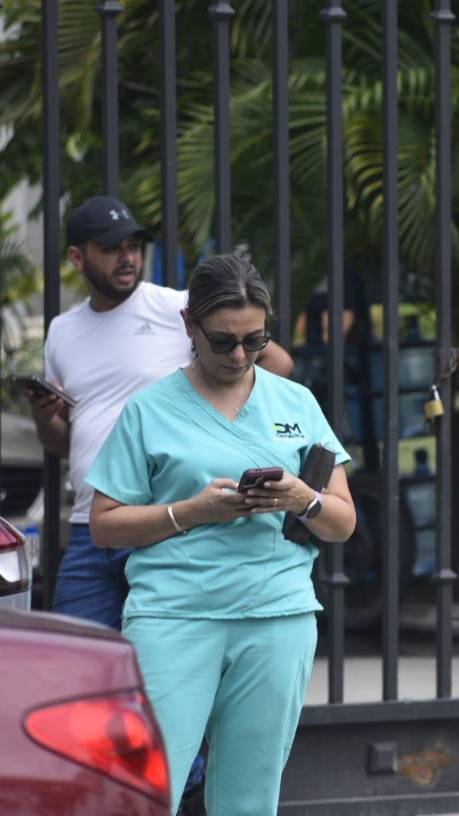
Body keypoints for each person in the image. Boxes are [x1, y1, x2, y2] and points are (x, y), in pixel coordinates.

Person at [85, 253, 356, 815]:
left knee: (250, 799)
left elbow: (342, 521)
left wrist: (300, 499)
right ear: (189, 327)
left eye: (254, 341)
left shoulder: (297, 403)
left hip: (276, 619)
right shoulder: (148, 410)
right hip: (174, 617)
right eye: (222, 341)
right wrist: (191, 512)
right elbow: (105, 525)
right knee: (147, 790)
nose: (239, 356)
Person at [27, 194, 294, 630]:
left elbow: (275, 363)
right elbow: (66, 441)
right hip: (91, 524)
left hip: (167, 518)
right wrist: (45, 413)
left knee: (159, 664)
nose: (127, 257)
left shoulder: (176, 308)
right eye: (111, 248)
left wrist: (219, 434)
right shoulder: (61, 331)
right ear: (77, 257)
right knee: (79, 668)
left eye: (133, 245)